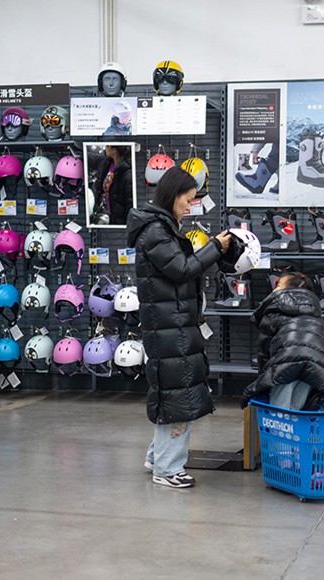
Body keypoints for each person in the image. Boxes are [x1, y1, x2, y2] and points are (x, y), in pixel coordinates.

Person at [126, 167, 232, 488]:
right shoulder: (157, 231)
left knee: (174, 390)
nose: (189, 206)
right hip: (168, 325)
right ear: (172, 196)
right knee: (179, 395)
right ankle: (168, 469)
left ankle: (157, 456)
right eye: (187, 200)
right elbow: (181, 269)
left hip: (171, 323)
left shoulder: (162, 227)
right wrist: (214, 247)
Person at [240, 272, 324, 410]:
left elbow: (265, 348)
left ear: (287, 290)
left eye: (278, 285)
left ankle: (277, 431)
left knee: (278, 408)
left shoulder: (273, 311)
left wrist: (265, 375)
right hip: (315, 365)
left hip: (285, 361)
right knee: (297, 408)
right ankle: (295, 431)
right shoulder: (316, 313)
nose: (275, 289)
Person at [91, 145, 133, 225]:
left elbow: (130, 201)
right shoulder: (107, 163)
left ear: (114, 150)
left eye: (107, 146)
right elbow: (91, 158)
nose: (105, 148)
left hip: (119, 219)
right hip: (105, 212)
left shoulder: (127, 173)